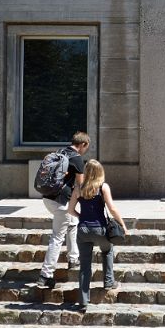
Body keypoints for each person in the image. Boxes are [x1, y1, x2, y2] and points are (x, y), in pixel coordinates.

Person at [66, 159, 127, 313]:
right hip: (100, 229)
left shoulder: (78, 188)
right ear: (100, 172)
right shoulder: (102, 187)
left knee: (85, 266)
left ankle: (83, 301)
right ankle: (108, 282)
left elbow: (70, 210)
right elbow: (112, 208)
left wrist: (81, 218)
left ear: (86, 172)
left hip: (83, 231)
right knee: (107, 250)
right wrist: (123, 225)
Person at [38, 131, 89, 290]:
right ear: (83, 145)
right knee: (57, 237)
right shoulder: (77, 159)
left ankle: (73, 258)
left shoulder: (60, 153)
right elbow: (79, 187)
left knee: (73, 222)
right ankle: (45, 275)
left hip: (47, 197)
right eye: (86, 147)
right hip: (61, 202)